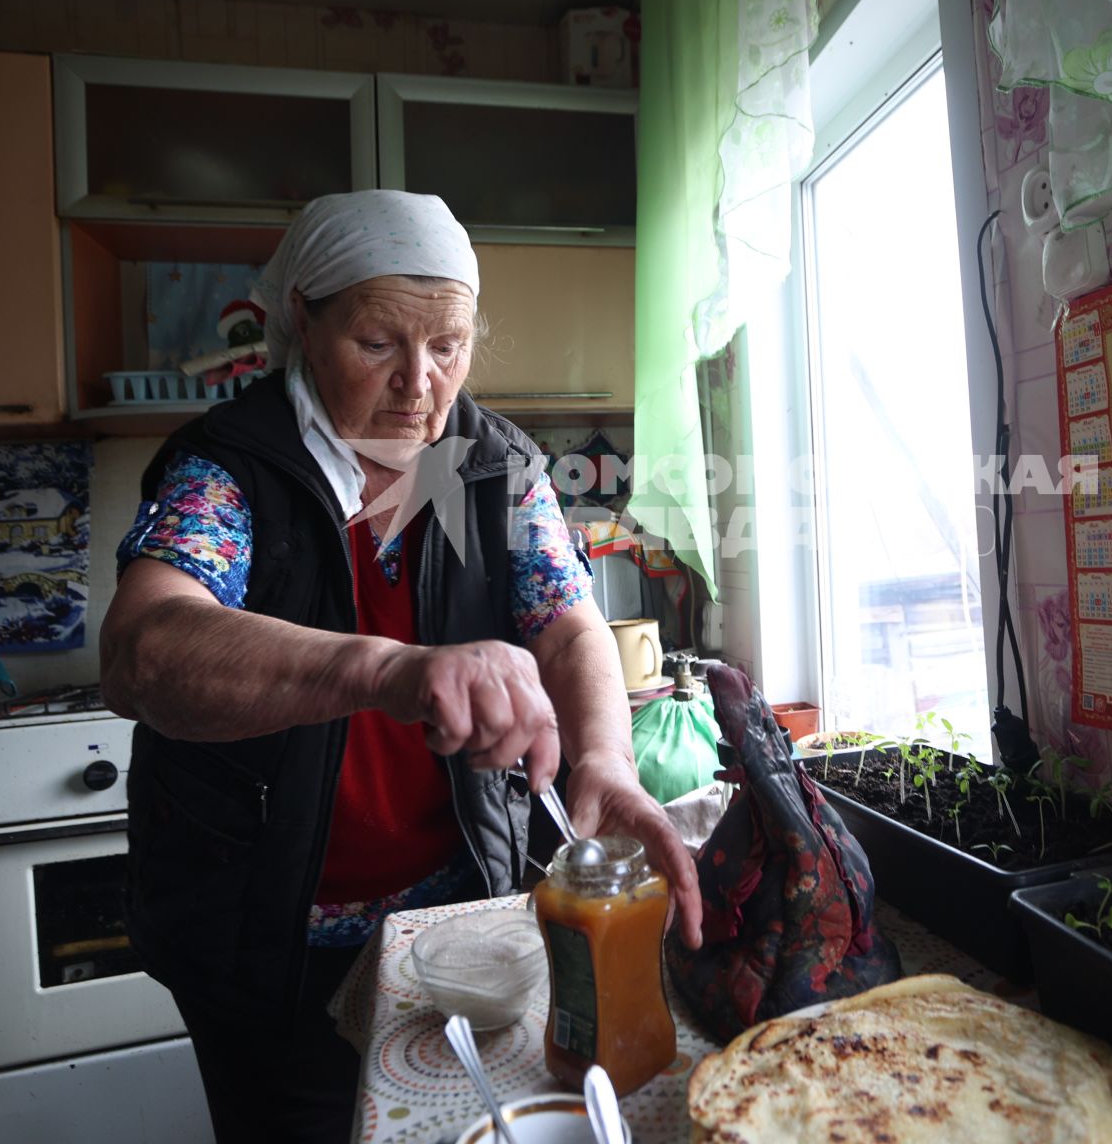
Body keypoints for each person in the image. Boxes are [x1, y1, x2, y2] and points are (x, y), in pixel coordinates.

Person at [100, 190, 702, 1144]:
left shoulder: (488, 467)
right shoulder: (233, 469)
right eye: (379, 343)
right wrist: (390, 669)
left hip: (450, 934)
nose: (421, 384)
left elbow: (573, 630)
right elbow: (144, 652)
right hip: (262, 938)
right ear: (303, 319)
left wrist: (605, 761)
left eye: (449, 345)